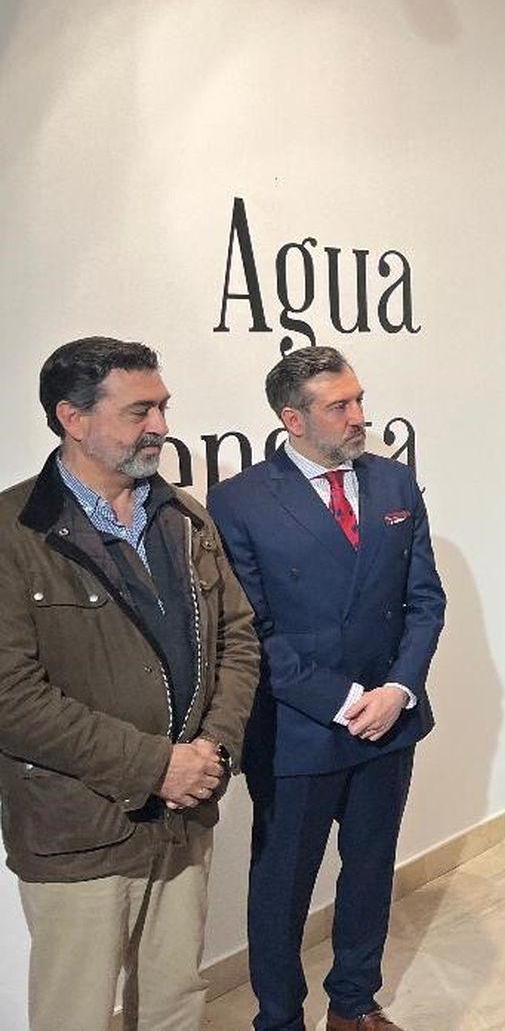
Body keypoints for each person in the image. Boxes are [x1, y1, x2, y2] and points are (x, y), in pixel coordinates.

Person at [0, 336, 259, 1029]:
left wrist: (212, 752)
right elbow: (11, 699)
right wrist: (155, 766)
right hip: (77, 828)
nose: (162, 426)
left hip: (185, 814)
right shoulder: (11, 533)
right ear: (72, 418)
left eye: (164, 407)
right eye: (140, 410)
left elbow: (238, 641)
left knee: (176, 1001)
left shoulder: (184, 516)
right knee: (76, 1012)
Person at [209, 347, 446, 1031]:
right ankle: (279, 1018)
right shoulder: (239, 501)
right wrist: (346, 701)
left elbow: (425, 601)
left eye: (359, 400)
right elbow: (252, 631)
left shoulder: (395, 484)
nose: (359, 417)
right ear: (293, 417)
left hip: (390, 721)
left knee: (369, 870)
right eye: (340, 406)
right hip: (298, 729)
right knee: (282, 888)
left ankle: (353, 1005)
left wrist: (398, 689)